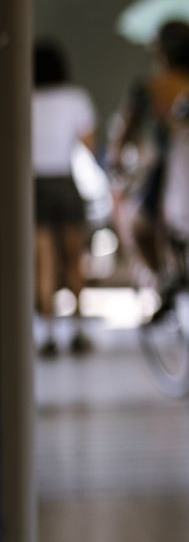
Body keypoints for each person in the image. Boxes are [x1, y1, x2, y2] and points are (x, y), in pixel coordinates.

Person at [106, 20, 189, 282]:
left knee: (137, 227)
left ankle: (162, 281)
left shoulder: (151, 88)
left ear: (162, 53)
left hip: (169, 178)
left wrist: (115, 161)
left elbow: (124, 133)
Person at [31, 41, 97, 356]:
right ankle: (77, 329)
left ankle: (47, 333)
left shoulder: (26, 100)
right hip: (65, 181)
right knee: (74, 259)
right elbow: (89, 144)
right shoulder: (75, 99)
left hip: (36, 183)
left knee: (44, 262)